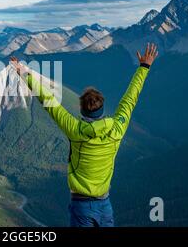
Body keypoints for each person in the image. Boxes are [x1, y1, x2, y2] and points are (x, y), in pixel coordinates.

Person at [10, 43, 158, 227]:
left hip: (81, 205)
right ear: (103, 109)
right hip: (105, 204)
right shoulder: (117, 129)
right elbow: (130, 99)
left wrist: (23, 73)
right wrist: (144, 67)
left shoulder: (74, 129)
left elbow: (48, 100)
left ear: (81, 110)